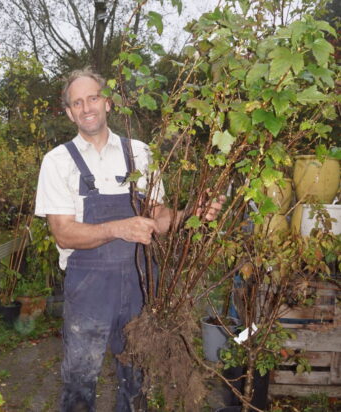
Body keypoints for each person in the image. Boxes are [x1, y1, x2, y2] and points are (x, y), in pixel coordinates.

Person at [35, 68, 225, 412]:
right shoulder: (57, 162)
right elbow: (63, 232)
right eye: (77, 102)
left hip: (140, 283)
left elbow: (158, 219)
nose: (86, 107)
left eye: (93, 97)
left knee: (137, 379)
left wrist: (189, 215)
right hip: (88, 287)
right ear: (69, 112)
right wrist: (118, 228)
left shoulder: (139, 154)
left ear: (107, 102)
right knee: (80, 377)